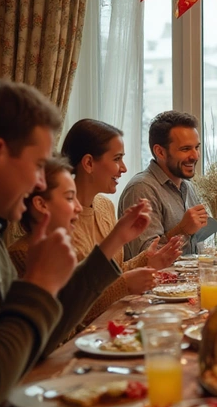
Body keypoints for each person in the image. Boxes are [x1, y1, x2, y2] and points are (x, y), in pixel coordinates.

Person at [0, 79, 150, 407]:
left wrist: (54, 281)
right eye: (37, 165)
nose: (40, 184)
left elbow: (31, 343)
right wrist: (38, 285)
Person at [8, 155, 147, 328]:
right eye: (69, 198)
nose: (79, 207)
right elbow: (63, 322)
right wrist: (124, 284)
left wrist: (140, 254)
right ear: (41, 204)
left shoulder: (59, 247)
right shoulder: (23, 253)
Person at [61, 119, 182, 301]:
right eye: (117, 159)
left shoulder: (104, 206)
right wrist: (124, 286)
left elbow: (112, 271)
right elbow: (70, 302)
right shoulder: (60, 218)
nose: (124, 168)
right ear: (88, 163)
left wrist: (148, 260)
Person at [118, 111, 208, 258]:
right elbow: (145, 258)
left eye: (196, 147)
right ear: (160, 152)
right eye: (185, 149)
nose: (195, 156)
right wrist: (182, 229)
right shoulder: (142, 189)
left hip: (187, 280)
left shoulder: (188, 187)